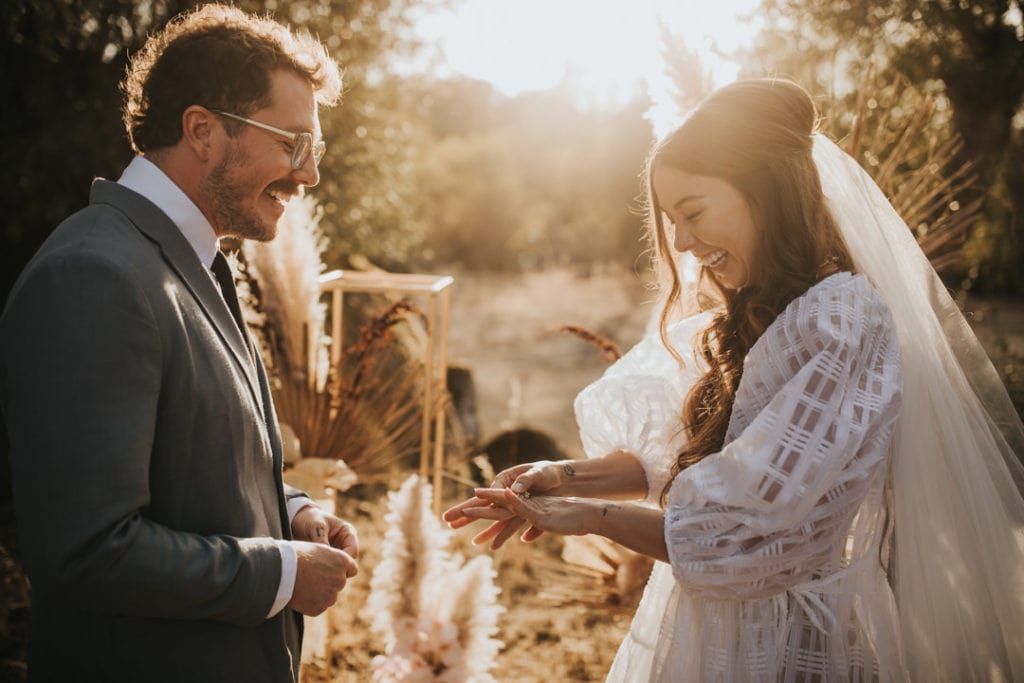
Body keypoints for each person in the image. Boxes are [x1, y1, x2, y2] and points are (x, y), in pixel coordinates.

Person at [445, 78, 1024, 681]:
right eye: (671, 221)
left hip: (786, 644)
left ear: (766, 192)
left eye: (692, 213)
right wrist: (561, 479)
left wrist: (590, 515)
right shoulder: (760, 310)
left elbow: (745, 530)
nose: (682, 243)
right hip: (715, 631)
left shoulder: (841, 321)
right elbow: (678, 458)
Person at [0, 5, 359, 681]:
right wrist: (282, 574)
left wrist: (292, 512)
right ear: (202, 131)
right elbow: (88, 551)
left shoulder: (193, 262)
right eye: (292, 144)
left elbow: (190, 466)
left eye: (314, 149)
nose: (307, 175)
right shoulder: (95, 277)